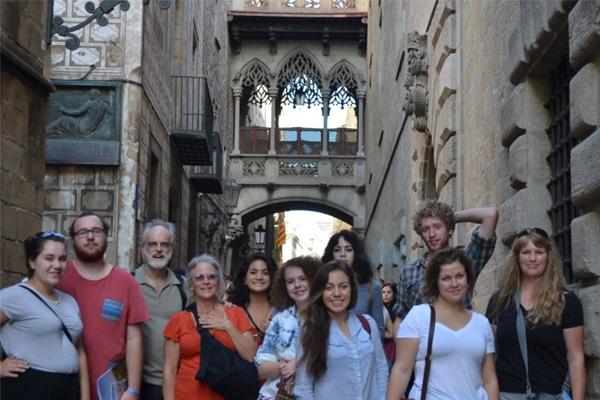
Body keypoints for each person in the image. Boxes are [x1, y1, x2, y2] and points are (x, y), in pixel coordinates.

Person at [56, 212, 150, 400]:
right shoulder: (57, 276)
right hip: (62, 385)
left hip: (109, 391)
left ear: (106, 236)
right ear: (73, 239)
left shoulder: (125, 282)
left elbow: (134, 339)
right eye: (83, 232)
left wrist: (133, 389)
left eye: (96, 231)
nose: (90, 236)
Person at [485, 228, 585, 400]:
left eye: (539, 252)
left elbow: (575, 358)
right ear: (517, 257)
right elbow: (490, 356)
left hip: (551, 395)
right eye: (526, 252)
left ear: (548, 256)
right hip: (507, 395)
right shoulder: (499, 302)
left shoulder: (567, 302)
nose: (532, 259)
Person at [387, 248, 499, 400]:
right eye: (446, 278)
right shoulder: (419, 316)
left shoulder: (482, 323)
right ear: (435, 282)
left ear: (468, 278)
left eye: (460, 276)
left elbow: (490, 380)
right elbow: (401, 370)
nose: (454, 284)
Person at [0, 232, 90, 400]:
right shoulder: (13, 296)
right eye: (49, 258)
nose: (57, 265)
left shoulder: (70, 301)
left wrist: (85, 397)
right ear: (32, 262)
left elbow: (80, 352)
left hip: (68, 388)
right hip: (29, 388)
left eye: (62, 259)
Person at [394, 200, 498, 335]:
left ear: (450, 229)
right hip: (423, 349)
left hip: (461, 342)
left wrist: (449, 217)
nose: (432, 234)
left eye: (437, 226)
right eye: (426, 229)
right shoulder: (409, 271)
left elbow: (490, 215)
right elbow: (400, 319)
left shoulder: (466, 261)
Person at [162, 254, 257, 400]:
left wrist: (227, 326)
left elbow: (251, 356)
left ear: (219, 283)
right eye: (199, 277)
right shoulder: (178, 320)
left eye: (211, 277)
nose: (205, 282)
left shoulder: (235, 313)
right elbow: (169, 370)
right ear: (191, 285)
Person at [294, 260, 389, 400]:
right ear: (320, 292)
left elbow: (381, 370)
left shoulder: (367, 325)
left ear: (352, 289)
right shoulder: (310, 331)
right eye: (329, 288)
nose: (337, 293)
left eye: (343, 286)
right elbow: (304, 386)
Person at [132, 220, 187, 400]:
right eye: (152, 244)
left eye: (164, 244)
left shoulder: (184, 287)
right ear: (142, 248)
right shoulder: (128, 284)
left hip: (176, 382)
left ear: (171, 248)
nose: (158, 249)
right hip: (136, 384)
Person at [255, 256, 322, 400]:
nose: (297, 285)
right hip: (276, 395)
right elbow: (261, 368)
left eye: (303, 278)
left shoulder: (329, 319)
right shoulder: (280, 320)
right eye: (290, 281)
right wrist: (284, 367)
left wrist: (299, 365)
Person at [322, 230, 385, 339]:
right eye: (337, 250)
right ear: (331, 254)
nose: (342, 254)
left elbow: (379, 331)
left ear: (356, 254)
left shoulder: (373, 288)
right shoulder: (321, 285)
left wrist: (357, 344)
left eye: (348, 250)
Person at [228, 253, 278, 347]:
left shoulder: (282, 311)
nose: (259, 277)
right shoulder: (233, 308)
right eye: (253, 272)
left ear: (272, 278)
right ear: (244, 278)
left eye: (265, 273)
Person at [382, 283, 398, 366]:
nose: (385, 295)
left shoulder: (396, 310)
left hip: (393, 344)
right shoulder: (381, 309)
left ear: (394, 294)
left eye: (389, 292)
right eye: (383, 292)